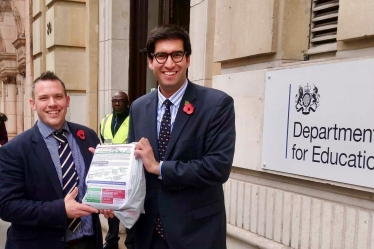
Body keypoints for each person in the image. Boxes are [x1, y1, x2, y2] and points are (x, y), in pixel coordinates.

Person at [128, 24, 236, 249]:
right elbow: (135, 164)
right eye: (161, 56)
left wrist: (159, 167)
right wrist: (112, 181)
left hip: (196, 235)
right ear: (150, 62)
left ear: (187, 59)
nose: (169, 64)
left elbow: (217, 168)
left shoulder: (216, 105)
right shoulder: (138, 108)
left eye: (177, 55)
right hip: (148, 234)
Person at [0, 71, 103, 249]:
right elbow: (8, 207)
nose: (52, 104)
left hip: (87, 242)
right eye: (44, 98)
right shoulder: (14, 150)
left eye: (58, 97)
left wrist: (107, 201)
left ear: (67, 100)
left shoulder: (88, 136)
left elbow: (98, 183)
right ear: (33, 104)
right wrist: (60, 210)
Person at [100, 91, 134, 249]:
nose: (117, 104)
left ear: (127, 103)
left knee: (128, 208)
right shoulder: (105, 120)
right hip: (110, 171)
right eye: (114, 101)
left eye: (121, 101)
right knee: (111, 207)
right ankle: (111, 240)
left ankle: (130, 241)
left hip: (128, 171)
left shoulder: (133, 120)